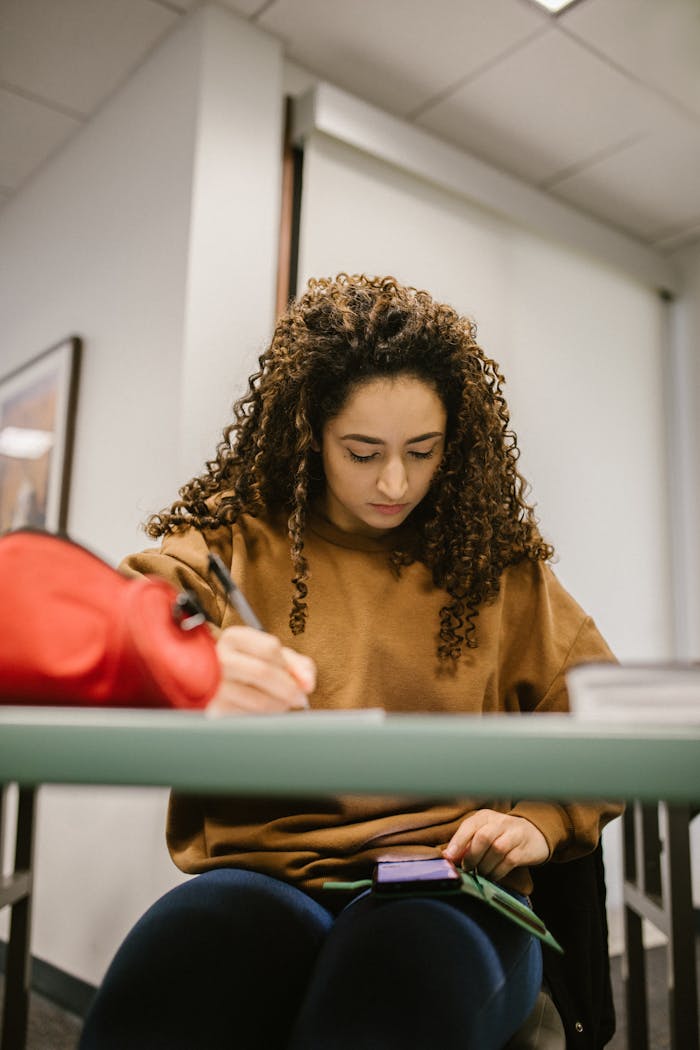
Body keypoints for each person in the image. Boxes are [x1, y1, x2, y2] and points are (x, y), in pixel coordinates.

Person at [80, 273, 621, 1050]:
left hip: (449, 881)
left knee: (381, 1014)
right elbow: (110, 618)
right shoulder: (234, 542)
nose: (395, 483)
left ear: (454, 443)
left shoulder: (495, 568)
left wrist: (537, 822)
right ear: (311, 433)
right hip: (262, 877)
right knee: (156, 1010)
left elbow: (603, 709)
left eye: (422, 451)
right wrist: (186, 656)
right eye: (363, 452)